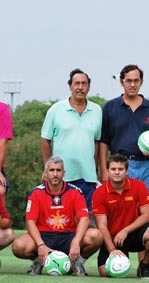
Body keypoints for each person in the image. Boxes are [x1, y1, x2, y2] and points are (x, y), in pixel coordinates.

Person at [12, 156, 102, 276]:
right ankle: (39, 261)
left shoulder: (75, 191)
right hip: (45, 236)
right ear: (45, 173)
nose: (55, 174)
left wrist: (76, 241)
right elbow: (30, 222)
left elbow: (84, 219)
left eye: (58, 170)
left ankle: (76, 263)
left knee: (97, 235)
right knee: (18, 246)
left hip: (68, 236)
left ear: (64, 173)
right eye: (52, 170)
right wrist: (40, 245)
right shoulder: (36, 193)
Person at [100, 64, 149, 213]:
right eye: (128, 80)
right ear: (121, 82)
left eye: (136, 80)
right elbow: (103, 141)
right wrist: (104, 169)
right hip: (121, 165)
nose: (132, 84)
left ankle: (146, 236)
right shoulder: (110, 107)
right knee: (122, 210)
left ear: (141, 82)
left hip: (147, 165)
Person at [92, 154, 149, 279]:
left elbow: (148, 215)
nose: (117, 172)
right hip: (113, 238)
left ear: (126, 171)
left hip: (134, 234)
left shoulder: (139, 186)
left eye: (120, 169)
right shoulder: (99, 193)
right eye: (113, 169)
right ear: (108, 171)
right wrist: (112, 250)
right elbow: (102, 226)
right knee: (106, 273)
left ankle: (145, 265)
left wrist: (125, 230)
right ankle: (117, 256)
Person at [41, 68, 102, 212]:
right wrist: (47, 169)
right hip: (62, 177)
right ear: (70, 86)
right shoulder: (56, 109)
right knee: (61, 219)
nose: (80, 87)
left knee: (85, 220)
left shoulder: (97, 110)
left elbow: (97, 142)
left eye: (84, 84)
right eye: (76, 83)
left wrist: (96, 169)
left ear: (89, 87)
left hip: (88, 177)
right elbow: (45, 140)